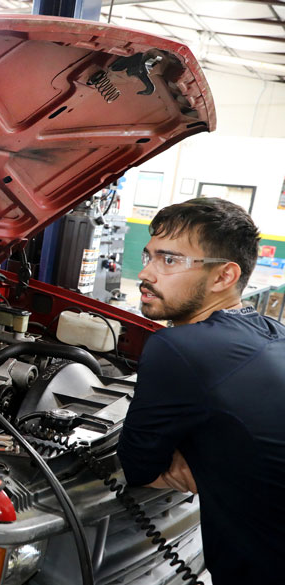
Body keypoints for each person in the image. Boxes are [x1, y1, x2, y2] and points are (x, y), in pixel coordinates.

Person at [117, 197, 285, 584]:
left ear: (223, 277)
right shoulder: (273, 332)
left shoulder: (178, 347)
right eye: (148, 255)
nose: (146, 272)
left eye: (169, 260)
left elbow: (137, 466)